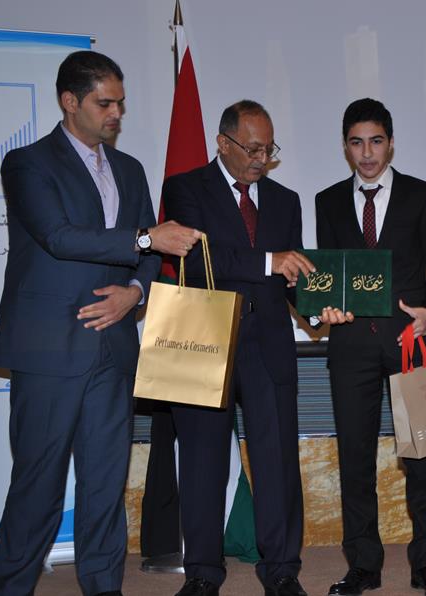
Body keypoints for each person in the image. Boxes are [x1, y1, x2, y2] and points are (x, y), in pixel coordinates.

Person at [0, 50, 199, 596]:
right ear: (70, 101)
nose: (116, 114)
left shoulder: (129, 169)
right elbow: (58, 237)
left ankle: (104, 586)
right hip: (50, 350)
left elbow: (149, 257)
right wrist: (147, 239)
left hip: (115, 349)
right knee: (38, 485)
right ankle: (11, 586)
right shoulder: (27, 163)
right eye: (105, 103)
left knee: (106, 483)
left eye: (120, 103)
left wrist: (135, 293)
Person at [162, 100, 314, 596]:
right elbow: (200, 257)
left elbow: (293, 277)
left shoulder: (286, 200)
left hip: (269, 344)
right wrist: (271, 261)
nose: (261, 159)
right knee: (203, 461)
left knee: (277, 461)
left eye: (268, 149)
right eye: (251, 149)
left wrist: (319, 310)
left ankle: (282, 569)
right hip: (205, 338)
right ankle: (203, 572)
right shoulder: (185, 188)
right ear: (222, 143)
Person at [316, 98, 426, 596]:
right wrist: (322, 309)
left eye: (376, 141)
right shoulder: (328, 201)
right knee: (355, 461)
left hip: (410, 342)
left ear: (391, 143)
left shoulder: (422, 194)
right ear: (346, 147)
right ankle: (363, 566)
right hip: (351, 347)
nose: (367, 153)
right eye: (357, 143)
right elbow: (327, 275)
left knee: (423, 460)